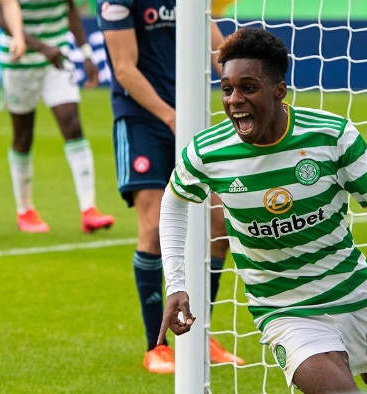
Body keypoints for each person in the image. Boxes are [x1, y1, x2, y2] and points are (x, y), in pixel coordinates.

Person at [158, 28, 367, 392]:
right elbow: (173, 203)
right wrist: (177, 284)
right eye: (227, 88)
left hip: (354, 295)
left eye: (248, 87)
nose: (234, 100)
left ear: (279, 91)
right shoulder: (208, 151)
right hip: (284, 311)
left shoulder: (331, 136)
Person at [97, 0, 243, 374]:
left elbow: (218, 52)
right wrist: (170, 116)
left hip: (189, 119)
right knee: (152, 228)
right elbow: (124, 68)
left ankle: (199, 335)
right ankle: (157, 346)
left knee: (218, 225)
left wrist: (244, 85)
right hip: (141, 120)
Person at [0, 0, 114, 234]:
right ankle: (25, 210)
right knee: (23, 135)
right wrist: (41, 47)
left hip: (58, 57)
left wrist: (86, 54)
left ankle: (89, 209)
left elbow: (70, 9)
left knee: (72, 125)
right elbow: (2, 15)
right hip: (18, 60)